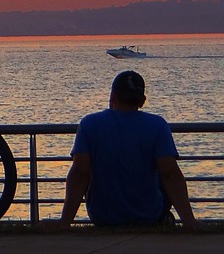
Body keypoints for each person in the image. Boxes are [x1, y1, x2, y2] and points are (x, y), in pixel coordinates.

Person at [59, 70, 196, 228]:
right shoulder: (157, 125)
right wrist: (189, 221)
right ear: (142, 101)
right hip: (148, 215)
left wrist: (65, 221)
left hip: (103, 217)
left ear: (113, 96)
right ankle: (165, 219)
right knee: (163, 171)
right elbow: (170, 174)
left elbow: (80, 173)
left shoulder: (89, 124)